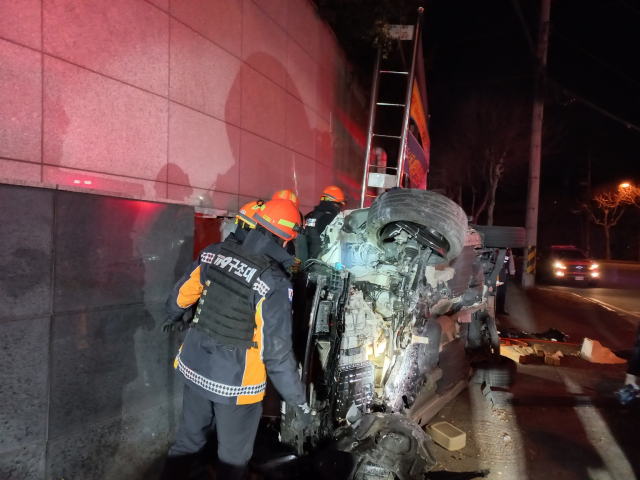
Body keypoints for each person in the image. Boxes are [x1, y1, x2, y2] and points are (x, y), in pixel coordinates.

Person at [160, 199, 311, 480]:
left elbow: (181, 295)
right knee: (232, 460)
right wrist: (298, 402)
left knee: (187, 444)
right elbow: (276, 354)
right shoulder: (273, 283)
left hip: (194, 366)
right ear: (288, 237)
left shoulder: (214, 253)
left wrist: (173, 314)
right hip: (236, 385)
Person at [303, 186, 345, 260]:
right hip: (321, 262)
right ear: (335, 203)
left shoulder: (310, 215)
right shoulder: (332, 218)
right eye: (340, 204)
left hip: (306, 260)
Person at [496, 247, 515, 315]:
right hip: (494, 273)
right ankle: (494, 310)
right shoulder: (495, 247)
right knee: (495, 292)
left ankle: (501, 309)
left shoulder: (508, 249)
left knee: (502, 292)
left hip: (503, 273)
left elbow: (511, 260)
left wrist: (512, 272)